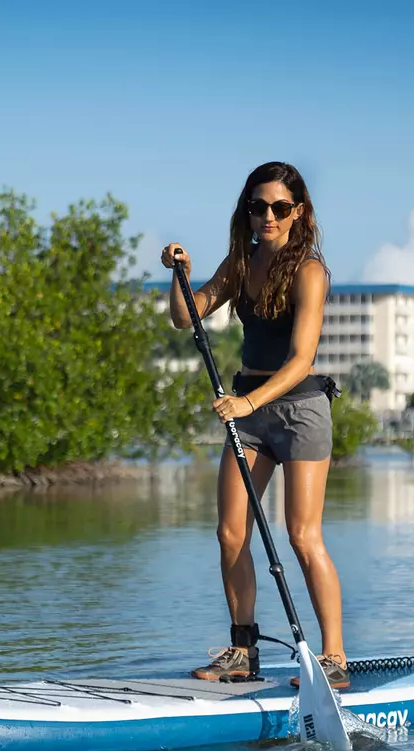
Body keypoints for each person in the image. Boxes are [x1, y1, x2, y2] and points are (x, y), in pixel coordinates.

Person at [160, 161, 348, 690]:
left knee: (302, 534)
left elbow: (301, 360)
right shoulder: (240, 263)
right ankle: (242, 651)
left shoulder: (311, 272)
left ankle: (334, 658)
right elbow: (186, 317)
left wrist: (248, 403)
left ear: (298, 213)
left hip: (300, 409)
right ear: (247, 211)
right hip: (249, 409)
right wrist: (182, 275)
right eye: (258, 207)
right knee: (229, 534)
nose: (268, 216)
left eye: (279, 208)